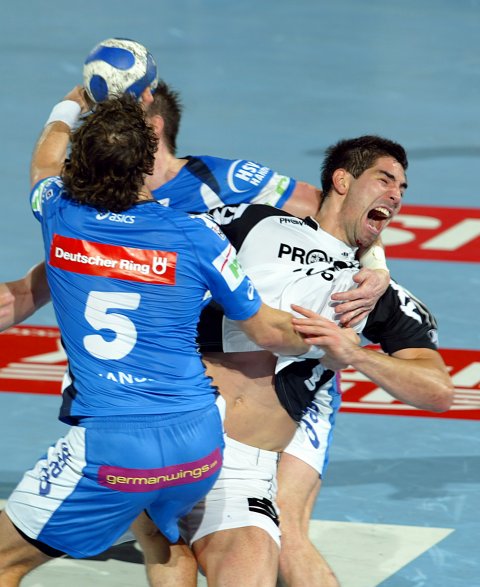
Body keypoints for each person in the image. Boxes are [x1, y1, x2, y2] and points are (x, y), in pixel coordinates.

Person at [0, 135, 454, 586]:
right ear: (342, 180)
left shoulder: (378, 295)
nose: (396, 194)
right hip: (175, 422)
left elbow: (437, 392)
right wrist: (43, 282)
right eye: (385, 179)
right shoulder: (255, 222)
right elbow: (142, 231)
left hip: (244, 465)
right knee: (167, 552)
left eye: (402, 187)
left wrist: (355, 352)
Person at [0, 87, 319, 586]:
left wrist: (71, 103)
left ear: (81, 164)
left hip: (113, 448)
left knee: (4, 560)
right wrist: (328, 341)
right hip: (199, 446)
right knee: (161, 542)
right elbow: (268, 330)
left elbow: (43, 159)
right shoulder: (199, 235)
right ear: (147, 161)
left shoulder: (59, 211)